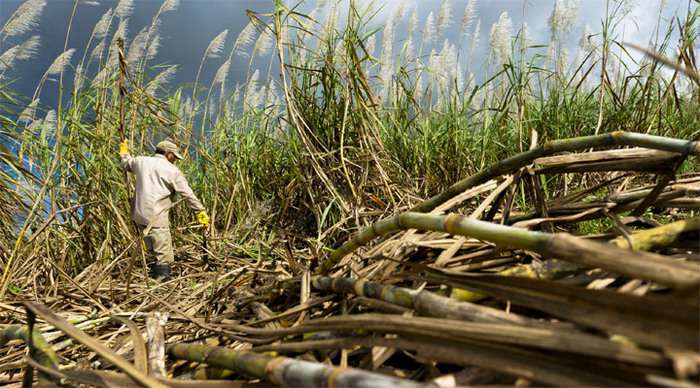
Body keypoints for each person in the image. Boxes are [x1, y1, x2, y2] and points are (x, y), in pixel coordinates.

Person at [119, 139, 209, 280]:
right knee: (163, 256)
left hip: (139, 216)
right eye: (174, 156)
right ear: (168, 154)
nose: (175, 160)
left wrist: (124, 152)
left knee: (151, 250)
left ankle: (152, 279)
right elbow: (187, 194)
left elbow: (126, 163)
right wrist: (200, 211)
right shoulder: (172, 170)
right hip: (156, 218)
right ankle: (161, 285)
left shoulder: (140, 161)